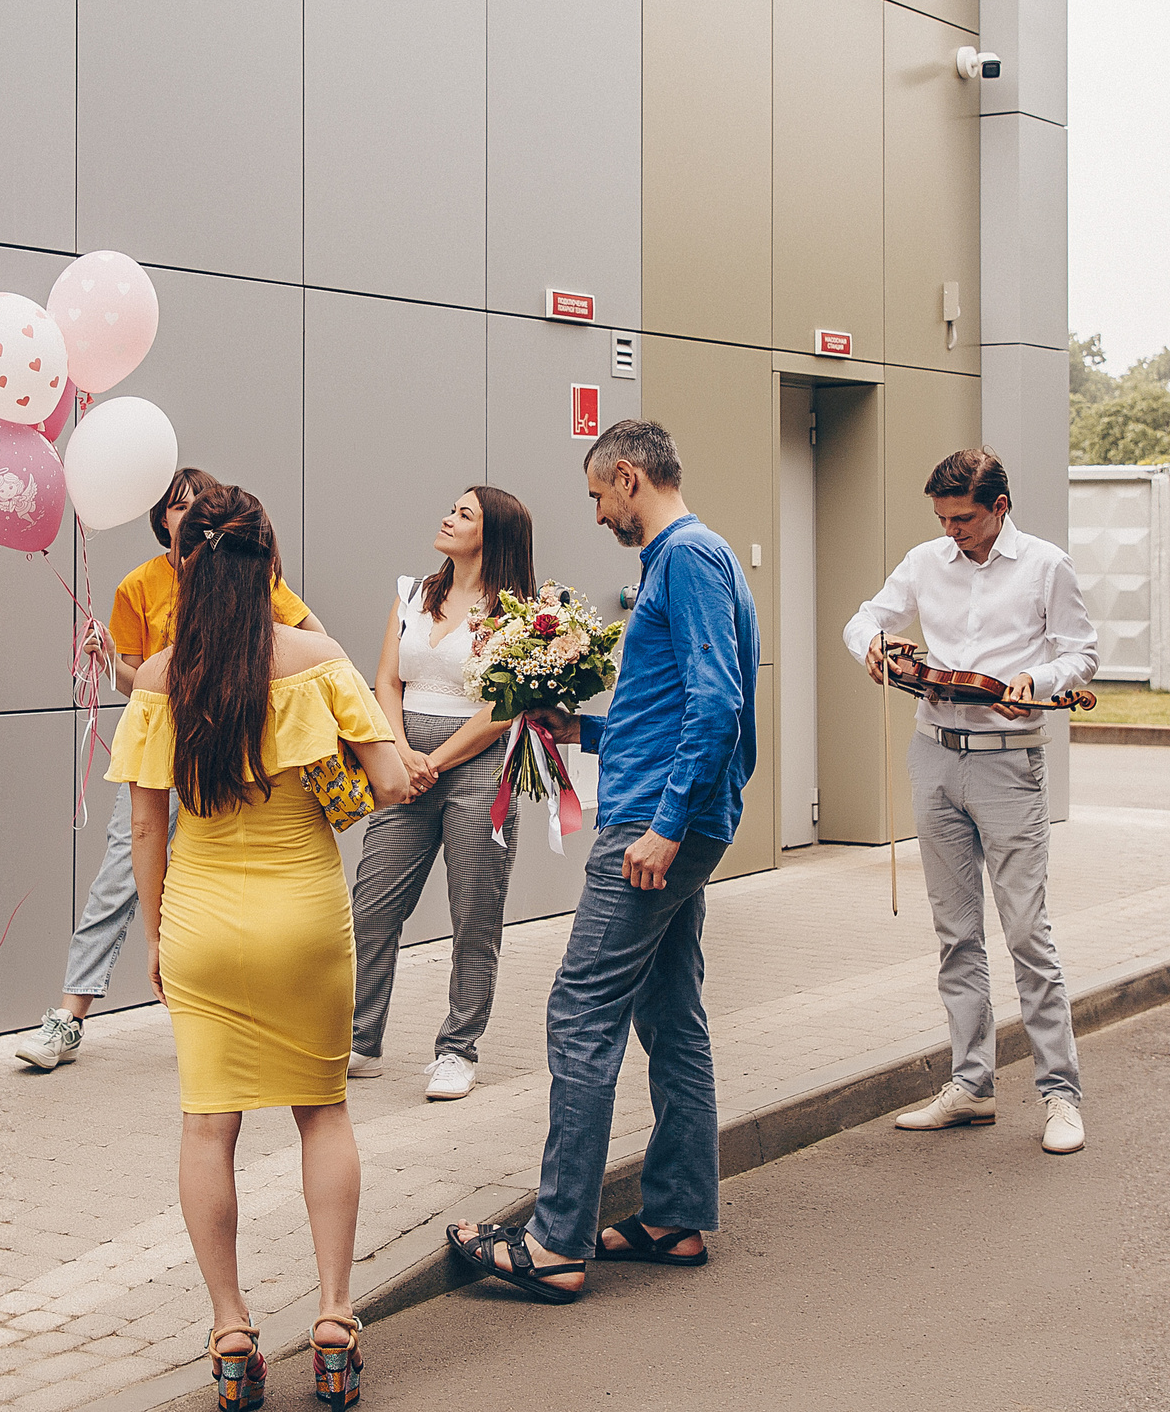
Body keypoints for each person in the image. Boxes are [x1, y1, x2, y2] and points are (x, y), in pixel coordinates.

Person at [106, 485, 414, 1409]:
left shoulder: (160, 676)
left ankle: (232, 1333)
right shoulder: (316, 658)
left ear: (182, 564)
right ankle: (332, 1318)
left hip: (200, 920)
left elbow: (146, 831)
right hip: (306, 917)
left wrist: (159, 938)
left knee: (209, 1124)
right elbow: (391, 777)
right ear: (268, 560)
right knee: (321, 1112)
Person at [446, 419, 759, 1302]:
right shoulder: (698, 558)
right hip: (677, 811)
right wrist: (581, 728)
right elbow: (673, 712)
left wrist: (664, 826)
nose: (596, 514)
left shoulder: (687, 558)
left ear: (628, 477)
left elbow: (717, 702)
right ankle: (676, 1215)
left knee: (579, 1008)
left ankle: (555, 1241)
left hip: (655, 826)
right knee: (670, 1010)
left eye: (597, 494)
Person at [14, 467, 325, 1072]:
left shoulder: (251, 575)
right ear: (160, 519)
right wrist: (113, 659)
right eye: (177, 508)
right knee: (118, 877)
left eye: (199, 507)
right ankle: (68, 1017)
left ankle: (240, 1018)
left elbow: (313, 638)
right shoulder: (138, 586)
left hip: (240, 751)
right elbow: (136, 683)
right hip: (168, 754)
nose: (186, 517)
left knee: (242, 877)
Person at [842, 447, 1099, 1154]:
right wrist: (874, 645)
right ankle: (972, 1084)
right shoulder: (926, 560)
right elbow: (863, 617)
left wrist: (1038, 680)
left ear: (999, 507)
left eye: (962, 519)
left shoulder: (1047, 565)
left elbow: (1082, 653)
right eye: (942, 518)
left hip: (1009, 765)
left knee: (1026, 934)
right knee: (955, 933)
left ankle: (1060, 1095)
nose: (950, 530)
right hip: (933, 756)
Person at [348, 486, 535, 1102]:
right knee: (373, 902)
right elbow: (385, 679)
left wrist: (436, 759)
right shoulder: (410, 593)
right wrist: (401, 753)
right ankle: (361, 1041)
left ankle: (457, 1049)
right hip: (405, 754)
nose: (447, 518)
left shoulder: (518, 611)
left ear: (493, 534)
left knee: (474, 914)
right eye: (452, 509)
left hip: (479, 761)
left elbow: (503, 708)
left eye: (464, 514)